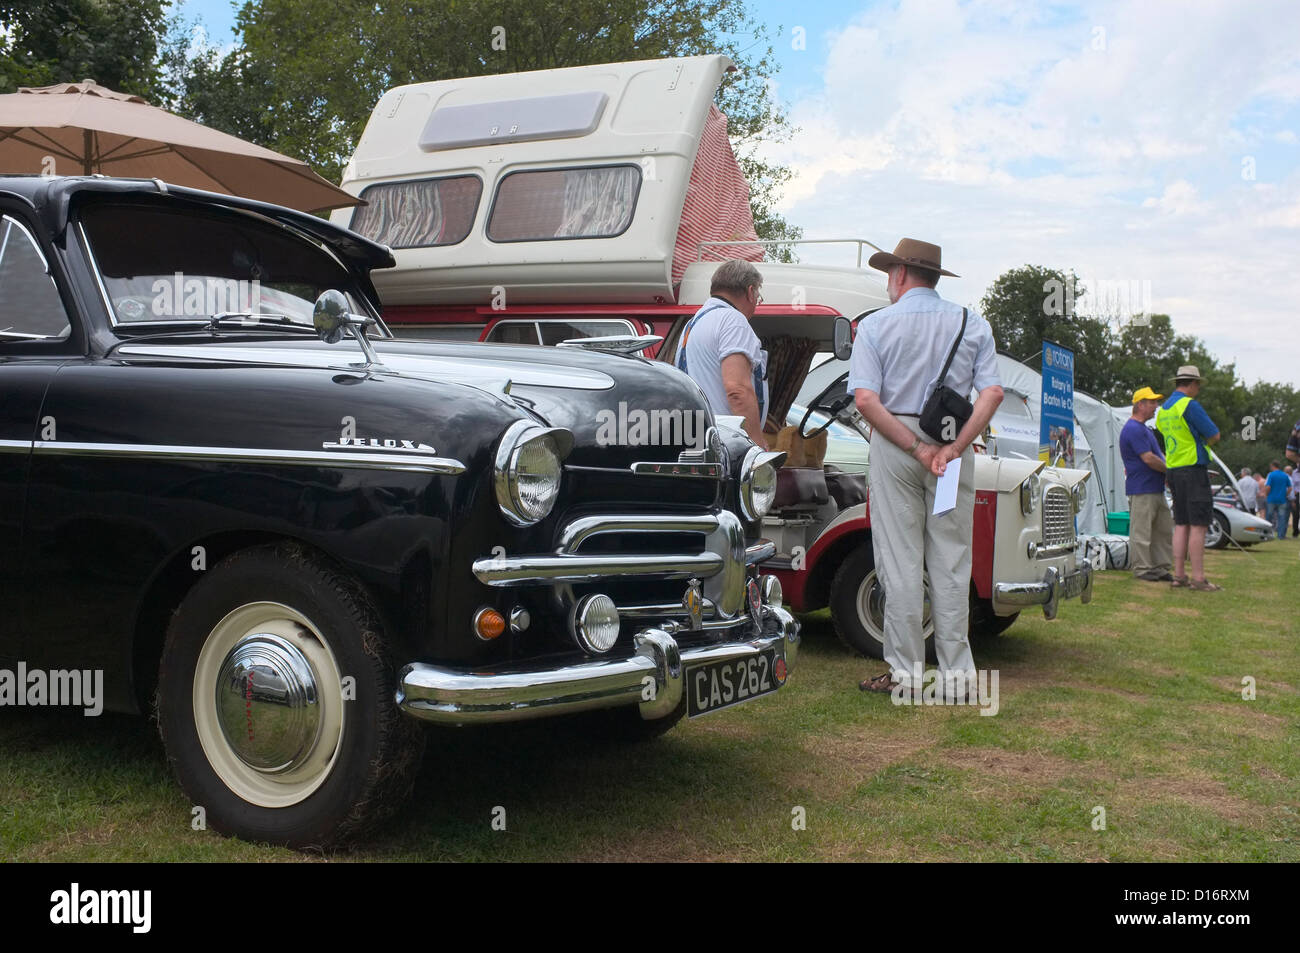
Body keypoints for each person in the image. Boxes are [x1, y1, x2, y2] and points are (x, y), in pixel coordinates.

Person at [849, 238, 1003, 697]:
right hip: (953, 446)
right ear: (935, 278)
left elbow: (864, 400)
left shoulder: (876, 326)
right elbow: (992, 393)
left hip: (898, 445)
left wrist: (916, 448)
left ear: (899, 275)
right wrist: (954, 447)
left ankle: (907, 675)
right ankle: (957, 676)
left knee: (899, 561)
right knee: (951, 560)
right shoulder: (971, 323)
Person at [674, 258, 768, 449]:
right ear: (750, 292)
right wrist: (755, 445)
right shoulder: (733, 320)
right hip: (727, 447)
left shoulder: (692, 325)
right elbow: (737, 390)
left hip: (697, 440)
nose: (757, 303)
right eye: (758, 295)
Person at [1155, 365, 1222, 590]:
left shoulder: (1163, 410)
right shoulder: (1189, 405)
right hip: (1193, 469)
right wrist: (1204, 444)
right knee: (1199, 524)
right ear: (1192, 384)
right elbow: (1214, 434)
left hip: (1173, 470)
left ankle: (1179, 575)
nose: (1198, 389)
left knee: (1181, 523)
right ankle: (1199, 578)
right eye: (1198, 385)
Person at [1119, 387, 1174, 581]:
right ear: (1140, 405)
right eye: (1152, 402)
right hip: (1142, 489)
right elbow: (1149, 459)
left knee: (1162, 530)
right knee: (1142, 531)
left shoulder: (1144, 429)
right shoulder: (1133, 429)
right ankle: (1142, 569)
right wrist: (1172, 471)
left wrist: (1168, 468)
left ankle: (1159, 567)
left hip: (1154, 488)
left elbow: (1157, 456)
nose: (1155, 406)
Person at [1264, 460, 1290, 539]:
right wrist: (1285, 495)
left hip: (1271, 499)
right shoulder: (1285, 475)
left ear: (1273, 466)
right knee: (1282, 518)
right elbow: (1290, 487)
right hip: (1282, 500)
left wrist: (1266, 494)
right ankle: (1280, 536)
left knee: (1269, 517)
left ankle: (1267, 534)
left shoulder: (1271, 475)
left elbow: (1268, 486)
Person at [1289, 464, 1300, 537]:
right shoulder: (1293, 473)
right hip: (1297, 495)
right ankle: (1295, 531)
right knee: (1295, 514)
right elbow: (1291, 484)